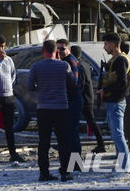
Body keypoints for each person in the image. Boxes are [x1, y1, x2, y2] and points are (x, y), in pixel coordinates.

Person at [27, 39, 75, 182]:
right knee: (63, 141)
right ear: (56, 52)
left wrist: (41, 88)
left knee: (43, 143)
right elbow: (72, 83)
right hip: (61, 108)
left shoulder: (36, 67)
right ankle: (65, 172)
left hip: (43, 108)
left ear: (43, 51)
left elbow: (29, 86)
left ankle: (44, 173)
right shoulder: (64, 65)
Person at [98, 33, 130, 174]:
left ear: (113, 45)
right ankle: (122, 165)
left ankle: (125, 168)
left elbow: (122, 83)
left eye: (106, 44)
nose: (104, 47)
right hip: (113, 101)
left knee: (118, 135)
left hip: (117, 101)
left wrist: (105, 89)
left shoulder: (120, 61)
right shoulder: (116, 60)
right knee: (115, 134)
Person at [0, 35, 24, 162]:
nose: (0, 48)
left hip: (8, 97)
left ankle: (13, 154)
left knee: (9, 127)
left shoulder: (9, 60)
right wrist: (0, 61)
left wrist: (9, 87)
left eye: (2, 46)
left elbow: (13, 75)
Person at [72, 45, 106, 153]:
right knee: (91, 121)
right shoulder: (85, 64)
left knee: (86, 121)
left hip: (83, 98)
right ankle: (101, 144)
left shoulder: (78, 66)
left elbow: (80, 83)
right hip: (88, 96)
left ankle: (101, 145)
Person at [57, 38, 82, 162]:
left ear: (69, 49)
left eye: (62, 48)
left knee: (72, 132)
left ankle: (76, 162)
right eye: (58, 48)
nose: (60, 51)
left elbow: (74, 82)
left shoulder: (70, 61)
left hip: (73, 100)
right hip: (71, 99)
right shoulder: (65, 61)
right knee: (70, 131)